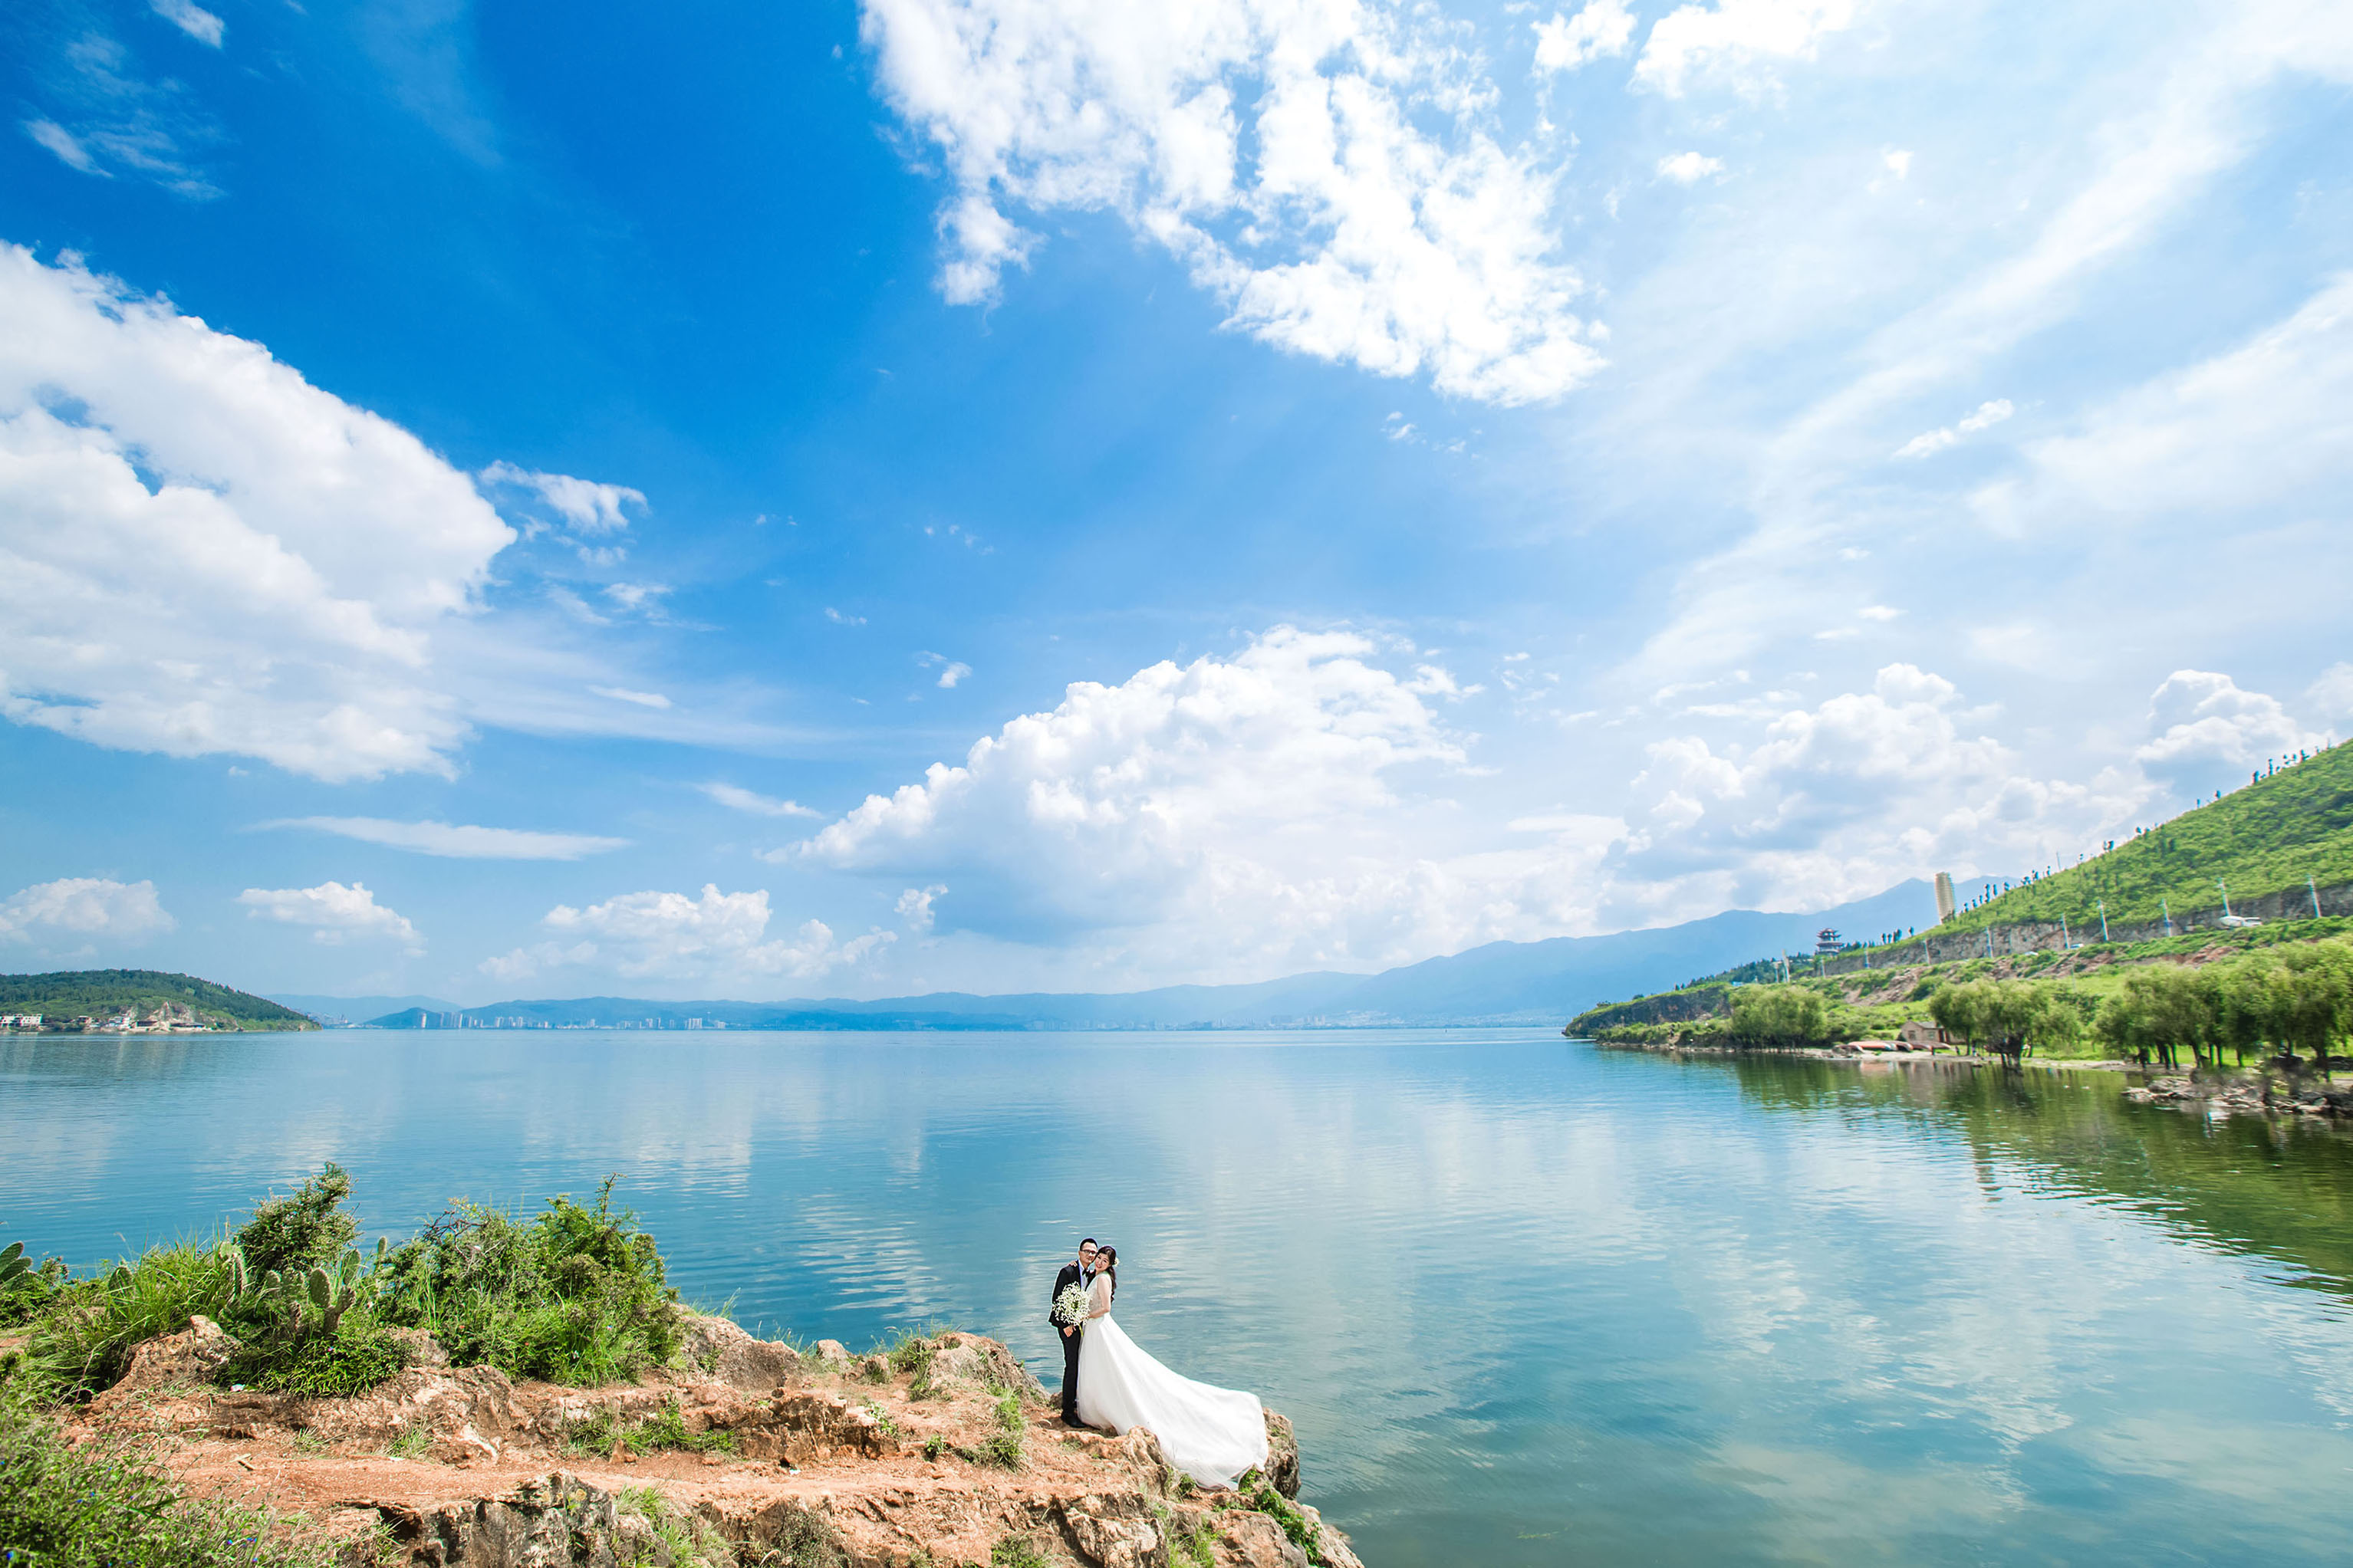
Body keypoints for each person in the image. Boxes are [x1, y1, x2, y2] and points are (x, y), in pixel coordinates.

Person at [1074, 1245, 1269, 1488]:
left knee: (1111, 1367)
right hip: (1095, 1329)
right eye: (1099, 1259)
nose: (1100, 1262)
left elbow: (1105, 1308)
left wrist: (1085, 1314)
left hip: (1099, 1327)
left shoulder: (1102, 1279)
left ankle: (1104, 1407)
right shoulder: (1095, 1276)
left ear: (1110, 1265)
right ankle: (1098, 1406)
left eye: (1104, 1260)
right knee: (1102, 1368)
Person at [1049, 1238, 1098, 1426]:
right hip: (1068, 1327)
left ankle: (1077, 1402)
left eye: (1093, 1252)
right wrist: (1065, 1326)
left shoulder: (1091, 1274)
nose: (1090, 1255)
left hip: (1082, 1326)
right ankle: (1067, 1412)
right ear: (1079, 1253)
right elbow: (1057, 1299)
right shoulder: (1068, 1271)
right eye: (1087, 1251)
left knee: (1081, 1364)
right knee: (1072, 1366)